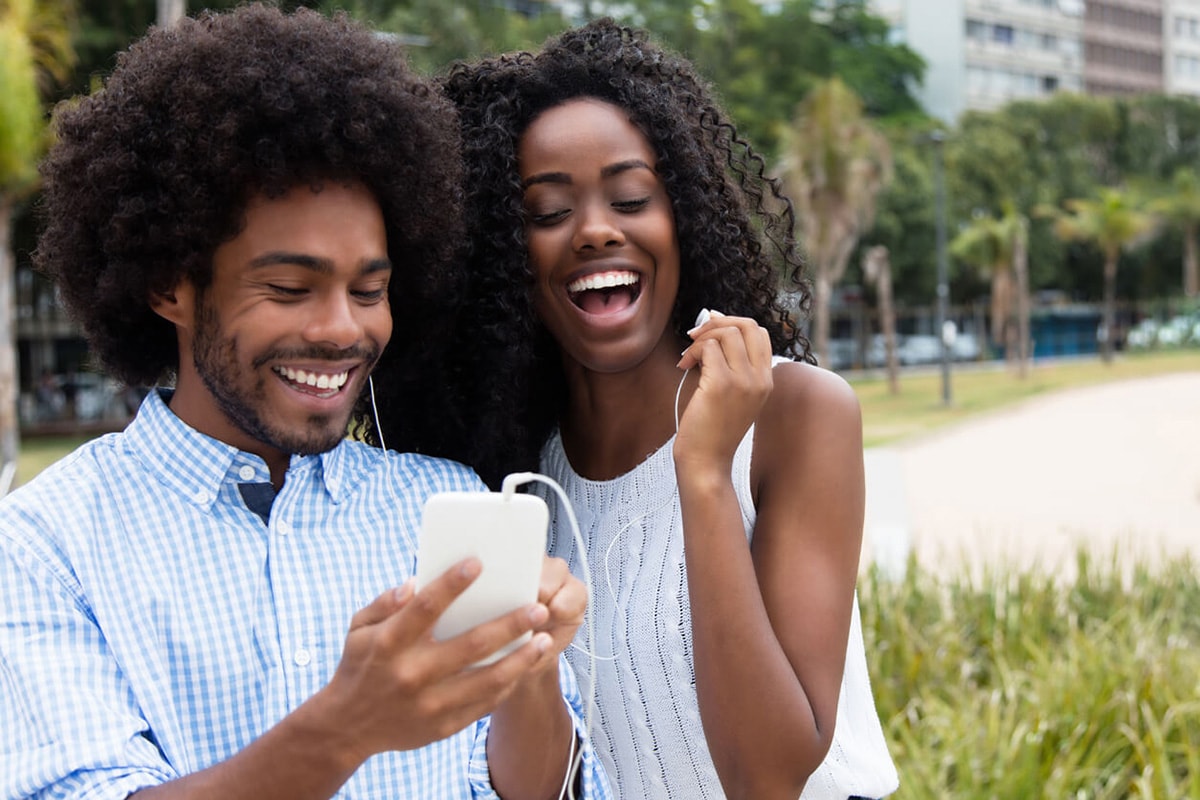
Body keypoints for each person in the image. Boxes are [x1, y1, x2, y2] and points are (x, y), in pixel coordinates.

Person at [0, 7, 611, 800]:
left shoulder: (439, 500)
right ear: (167, 285)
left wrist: (526, 665)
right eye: (290, 288)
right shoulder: (46, 543)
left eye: (371, 290)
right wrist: (347, 724)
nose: (341, 329)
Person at [368, 18, 900, 800]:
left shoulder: (794, 415)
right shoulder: (515, 476)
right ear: (501, 256)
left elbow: (768, 777)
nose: (594, 231)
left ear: (680, 214)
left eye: (631, 198)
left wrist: (705, 470)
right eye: (547, 213)